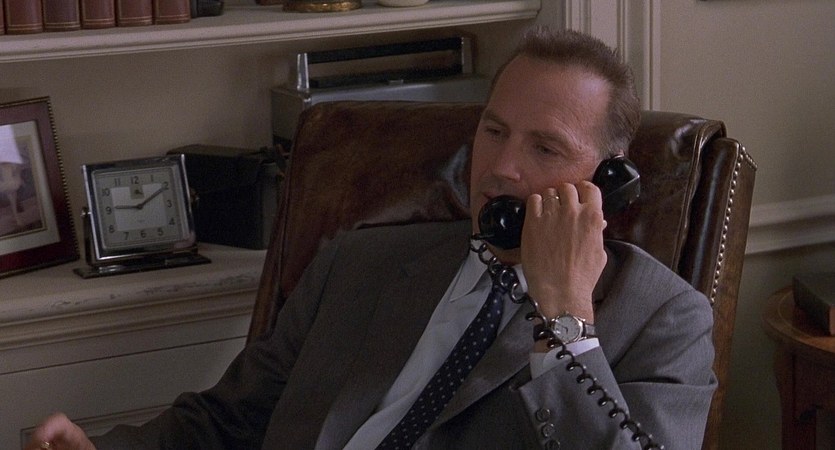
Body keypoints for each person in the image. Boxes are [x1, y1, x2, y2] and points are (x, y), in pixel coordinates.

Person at [27, 26, 716, 450]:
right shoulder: (361, 262)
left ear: (607, 179)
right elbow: (230, 421)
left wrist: (563, 315)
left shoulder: (663, 319)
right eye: (494, 130)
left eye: (544, 147)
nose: (501, 167)